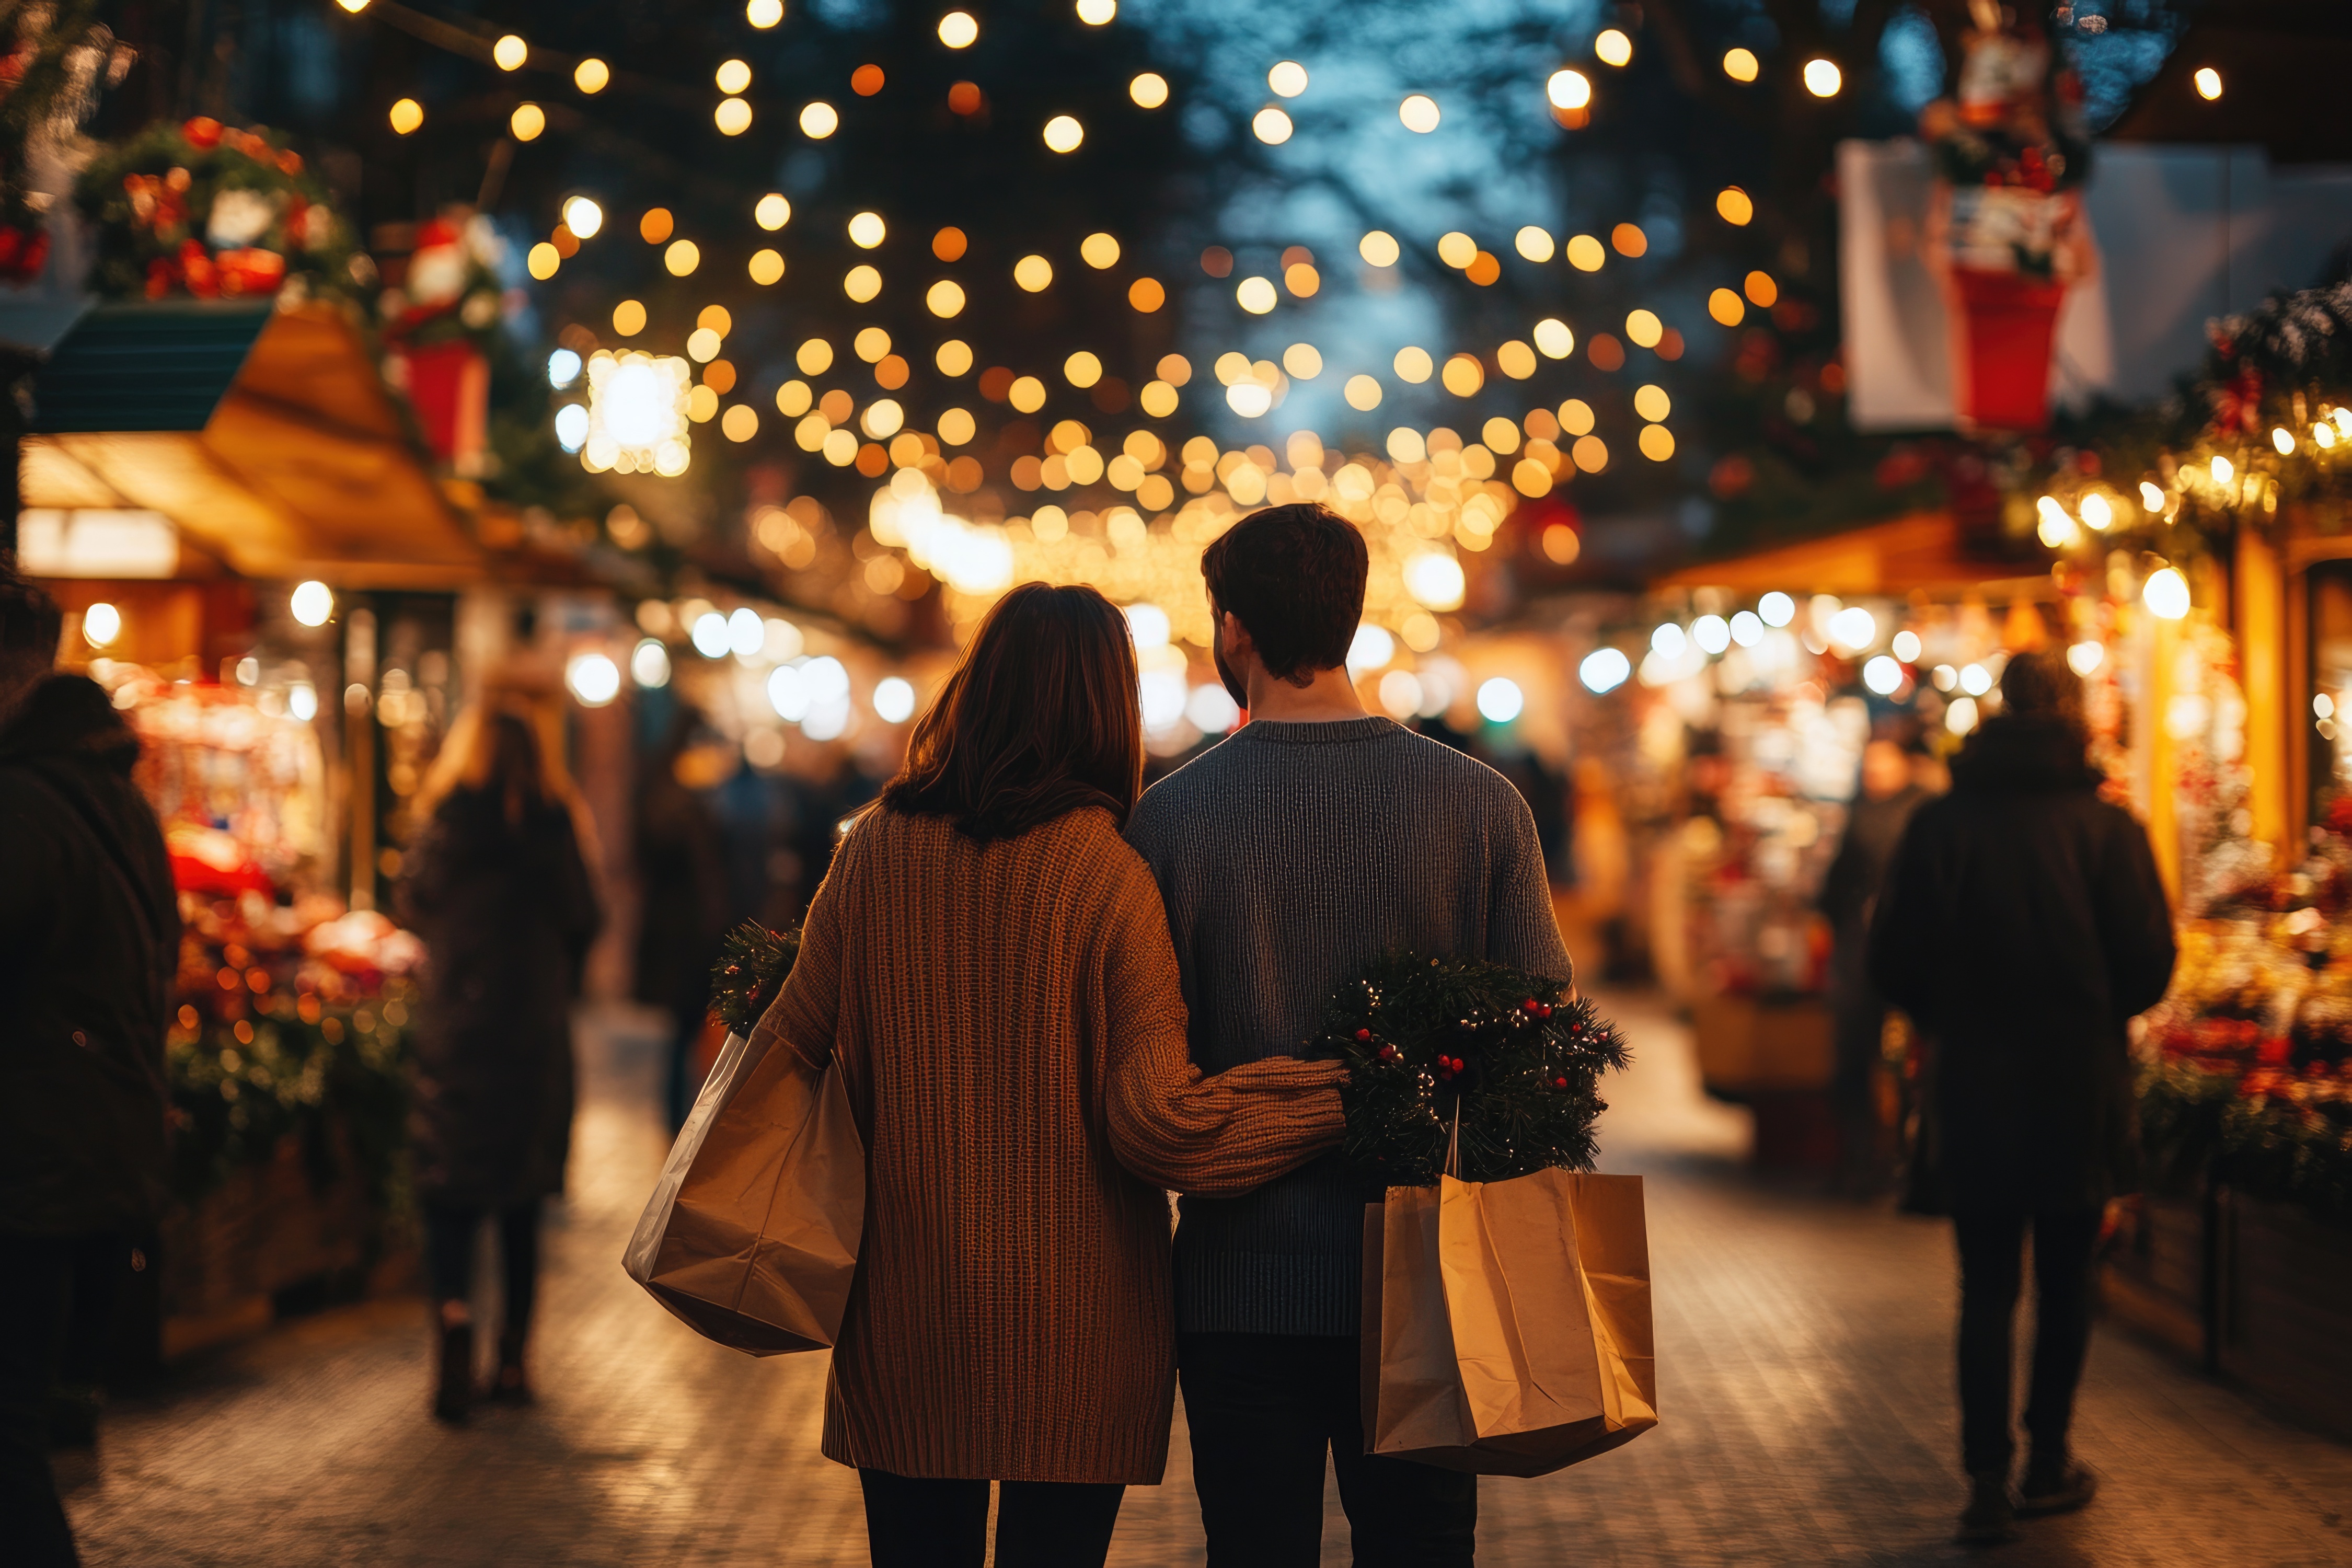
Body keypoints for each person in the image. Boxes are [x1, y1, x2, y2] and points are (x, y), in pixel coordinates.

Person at [750, 582, 1344, 1568]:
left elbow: (788, 1047)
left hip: (903, 1315)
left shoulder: (876, 850)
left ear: (977, 686)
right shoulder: (1109, 876)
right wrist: (1340, 1092)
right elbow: (1157, 1122)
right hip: (1077, 1335)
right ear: (1107, 709)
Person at [1122, 503, 1575, 1567]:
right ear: (1353, 619)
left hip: (1238, 1280)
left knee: (1252, 1549)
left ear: (1234, 629)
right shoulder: (1480, 806)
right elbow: (1544, 1038)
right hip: (1432, 1279)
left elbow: (1142, 1063)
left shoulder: (1171, 820)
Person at [1869, 649, 2175, 1546]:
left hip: (1973, 1084)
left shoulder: (1942, 824)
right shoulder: (2107, 828)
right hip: (2078, 1081)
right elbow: (2149, 961)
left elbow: (1891, 956)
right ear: (2074, 715)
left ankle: (1985, 1475)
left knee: (1987, 1286)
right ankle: (2048, 1461)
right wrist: (2092, 1011)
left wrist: (1947, 1016)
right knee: (2068, 1280)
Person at [0, 566, 177, 1567]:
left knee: (8, 1442)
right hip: (94, 1162)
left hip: (30, 1169)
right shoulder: (120, 803)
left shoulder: (24, 806)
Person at [398, 699, 601, 1424]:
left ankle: (454, 1318)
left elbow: (412, 899)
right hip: (531, 1037)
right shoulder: (554, 824)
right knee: (520, 1202)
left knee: (449, 1194)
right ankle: (513, 1359)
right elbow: (587, 917)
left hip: (457, 1032)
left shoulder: (446, 822)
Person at [1819, 736, 1931, 1195]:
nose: (1875, 772)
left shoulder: (1919, 811)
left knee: (1897, 1056)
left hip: (1899, 950)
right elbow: (1839, 880)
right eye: (1870, 764)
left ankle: (1888, 1156)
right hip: (1868, 949)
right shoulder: (1867, 809)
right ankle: (1868, 1154)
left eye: (1884, 762)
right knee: (1860, 1052)